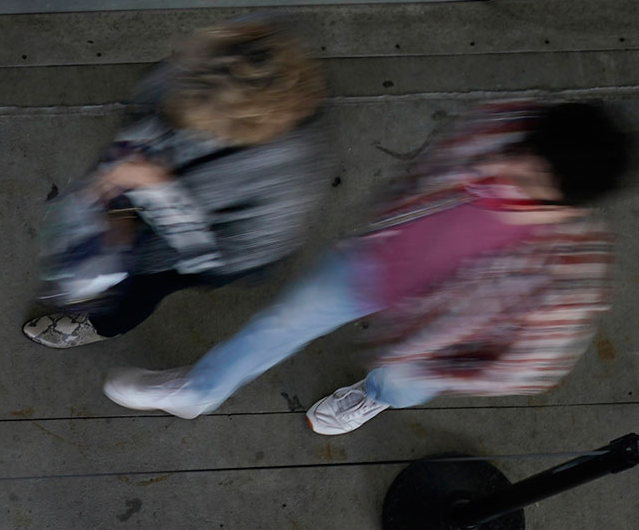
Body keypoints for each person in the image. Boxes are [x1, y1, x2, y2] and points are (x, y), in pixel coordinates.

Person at [105, 98, 630, 434]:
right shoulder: (505, 124)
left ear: (567, 204)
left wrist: (441, 363)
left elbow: (529, 368)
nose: (507, 168)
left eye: (532, 176)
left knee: (401, 382)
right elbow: (426, 170)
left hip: (436, 339)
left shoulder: (565, 275)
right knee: (279, 322)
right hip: (376, 264)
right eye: (523, 151)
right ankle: (198, 391)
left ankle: (375, 394)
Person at [23, 19, 328, 349]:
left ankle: (105, 325)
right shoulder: (204, 71)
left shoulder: (287, 177)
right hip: (146, 191)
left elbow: (211, 257)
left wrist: (158, 187)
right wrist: (121, 191)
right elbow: (146, 116)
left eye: (203, 126)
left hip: (198, 244)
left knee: (145, 286)